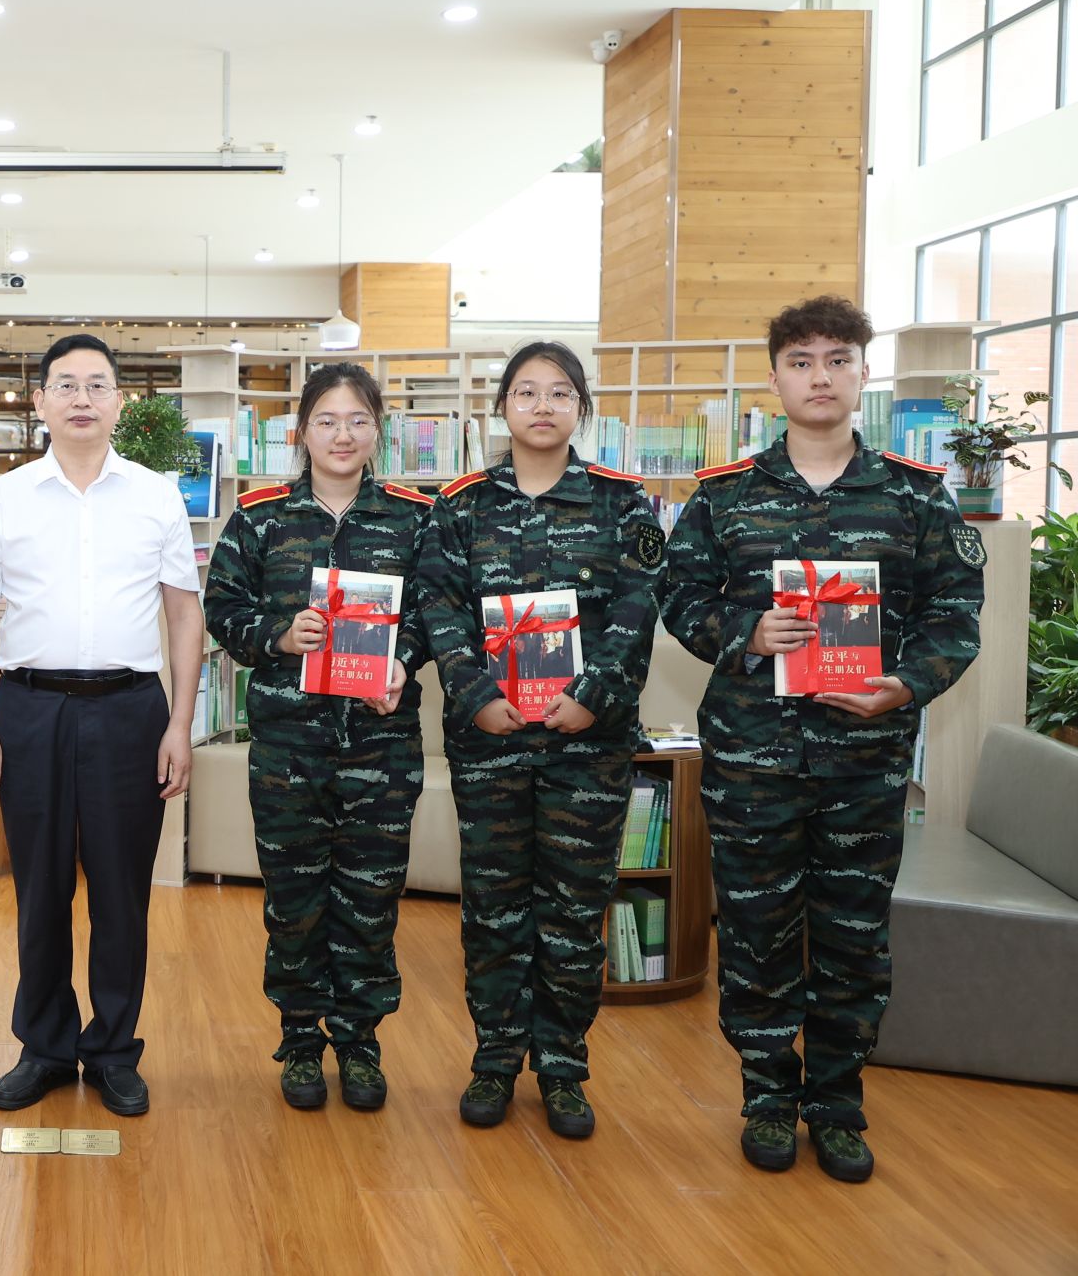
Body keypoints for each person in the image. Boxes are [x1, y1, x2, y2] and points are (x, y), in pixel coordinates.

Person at [660, 296, 984, 1183]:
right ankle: (768, 1096)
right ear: (775, 378)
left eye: (838, 359)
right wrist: (746, 633)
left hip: (864, 762)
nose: (820, 377)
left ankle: (838, 1103)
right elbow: (678, 598)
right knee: (757, 932)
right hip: (752, 762)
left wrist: (904, 684)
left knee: (852, 936)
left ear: (863, 373)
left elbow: (955, 614)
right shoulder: (724, 495)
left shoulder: (915, 495)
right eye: (801, 361)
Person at [416, 341, 664, 1139]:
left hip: (586, 745)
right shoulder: (459, 506)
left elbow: (637, 612)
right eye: (527, 392)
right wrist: (476, 694)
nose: (543, 406)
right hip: (490, 741)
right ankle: (494, 1058)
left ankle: (562, 1066)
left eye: (560, 393)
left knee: (574, 908)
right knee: (492, 907)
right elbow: (439, 607)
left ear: (581, 408)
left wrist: (593, 698)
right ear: (503, 408)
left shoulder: (623, 505)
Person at [0, 333, 203, 1118]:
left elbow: (184, 614)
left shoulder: (157, 496)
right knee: (40, 887)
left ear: (120, 401)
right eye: (66, 384)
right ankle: (46, 1046)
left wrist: (180, 722)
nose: (82, 398)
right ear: (40, 401)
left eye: (98, 384)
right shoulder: (4, 499)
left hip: (132, 710)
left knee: (122, 892)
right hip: (30, 709)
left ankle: (114, 1049)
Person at [202, 362, 433, 1111]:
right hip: (289, 751)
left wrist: (403, 658)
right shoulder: (260, 516)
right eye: (327, 421)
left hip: (381, 745)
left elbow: (440, 610)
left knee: (370, 898)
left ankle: (360, 1043)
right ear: (301, 432)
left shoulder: (415, 517)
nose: (342, 435)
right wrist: (278, 634)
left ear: (377, 431)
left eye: (358, 420)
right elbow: (221, 608)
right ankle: (301, 1041)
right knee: (294, 899)